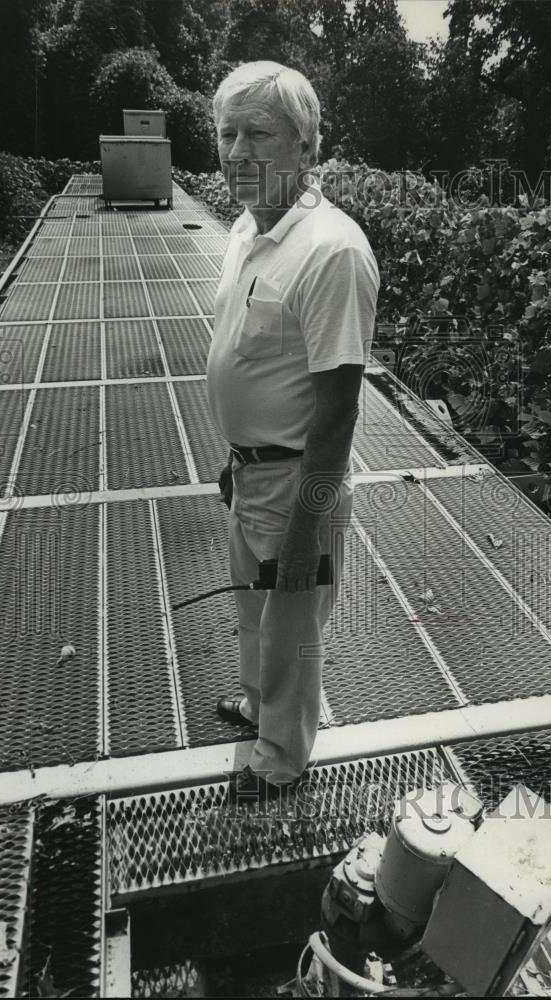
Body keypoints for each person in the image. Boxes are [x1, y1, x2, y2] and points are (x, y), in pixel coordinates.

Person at [206, 61, 380, 805]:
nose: (237, 151)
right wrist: (234, 456)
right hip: (254, 470)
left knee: (292, 624)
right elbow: (254, 358)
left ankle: (281, 758)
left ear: (305, 146)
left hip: (294, 480)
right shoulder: (249, 228)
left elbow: (337, 407)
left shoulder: (332, 251)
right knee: (255, 606)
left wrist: (309, 525)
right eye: (226, 132)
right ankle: (257, 706)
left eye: (259, 133)